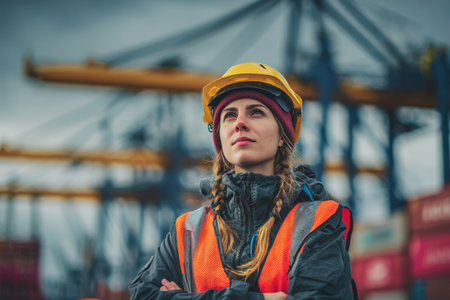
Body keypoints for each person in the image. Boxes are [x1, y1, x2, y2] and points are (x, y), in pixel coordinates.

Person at [129, 63, 356, 299]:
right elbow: (142, 295)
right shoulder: (187, 231)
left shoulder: (318, 222)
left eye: (256, 112)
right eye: (229, 116)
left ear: (282, 136)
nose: (239, 123)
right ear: (220, 137)